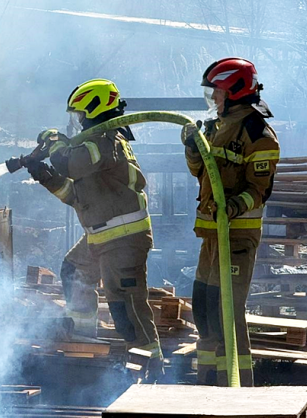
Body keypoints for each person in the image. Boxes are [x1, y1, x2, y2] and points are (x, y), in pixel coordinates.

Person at [26, 79, 162, 378]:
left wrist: (53, 142)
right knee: (74, 272)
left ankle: (151, 370)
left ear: (94, 109)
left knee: (127, 308)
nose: (77, 122)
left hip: (123, 240)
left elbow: (69, 163)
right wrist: (45, 176)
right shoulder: (92, 147)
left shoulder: (105, 141)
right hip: (102, 236)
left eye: (79, 114)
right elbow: (76, 196)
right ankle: (84, 340)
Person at [181, 58, 280, 386]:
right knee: (204, 309)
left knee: (228, 314)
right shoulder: (215, 126)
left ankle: (239, 389)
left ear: (235, 91)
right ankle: (208, 380)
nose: (213, 100)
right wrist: (193, 149)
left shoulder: (258, 133)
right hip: (211, 236)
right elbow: (200, 172)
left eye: (218, 93)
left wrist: (233, 206)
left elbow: (259, 191)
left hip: (237, 236)